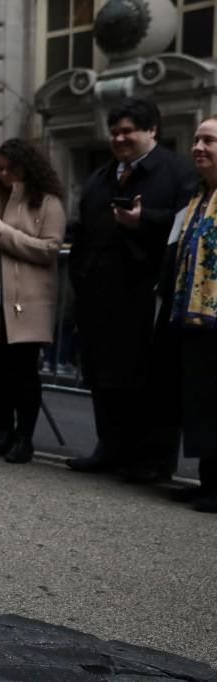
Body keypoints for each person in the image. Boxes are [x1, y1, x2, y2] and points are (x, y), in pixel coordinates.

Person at [66, 99, 196, 481]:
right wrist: (81, 278)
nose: (119, 138)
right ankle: (109, 450)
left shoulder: (178, 173)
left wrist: (144, 222)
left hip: (149, 296)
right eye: (114, 132)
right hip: (101, 295)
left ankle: (152, 463)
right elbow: (83, 233)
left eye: (128, 131)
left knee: (151, 383)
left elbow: (185, 226)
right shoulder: (101, 176)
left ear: (152, 130)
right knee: (104, 379)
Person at [0, 139, 66, 463]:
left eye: (10, 168)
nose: (4, 174)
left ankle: (24, 438)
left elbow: (49, 249)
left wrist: (3, 230)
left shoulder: (48, 201)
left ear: (26, 166)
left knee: (24, 372)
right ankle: (3, 434)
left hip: (27, 301)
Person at [160, 115, 217, 512]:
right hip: (194, 321)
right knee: (200, 404)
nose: (198, 147)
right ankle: (206, 481)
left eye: (208, 141)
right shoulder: (196, 198)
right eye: (195, 140)